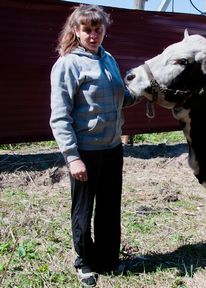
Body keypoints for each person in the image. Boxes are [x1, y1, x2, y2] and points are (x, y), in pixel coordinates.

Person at [49, 4, 141, 287]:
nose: (93, 35)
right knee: (83, 209)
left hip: (113, 148)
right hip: (86, 151)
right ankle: (84, 261)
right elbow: (60, 116)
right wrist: (72, 156)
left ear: (104, 30)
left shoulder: (108, 58)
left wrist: (142, 93)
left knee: (110, 207)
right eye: (86, 30)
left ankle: (108, 259)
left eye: (97, 29)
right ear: (76, 31)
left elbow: (121, 97)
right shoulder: (68, 64)